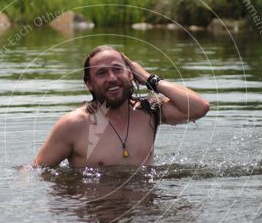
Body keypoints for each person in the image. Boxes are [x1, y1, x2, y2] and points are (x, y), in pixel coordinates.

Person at [33, 45, 209, 167]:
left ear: (131, 75)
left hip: (142, 215)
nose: (111, 77)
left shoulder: (149, 112)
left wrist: (149, 78)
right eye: (101, 73)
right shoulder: (74, 124)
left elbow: (200, 107)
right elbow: (36, 171)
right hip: (95, 214)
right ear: (89, 84)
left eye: (117, 69)